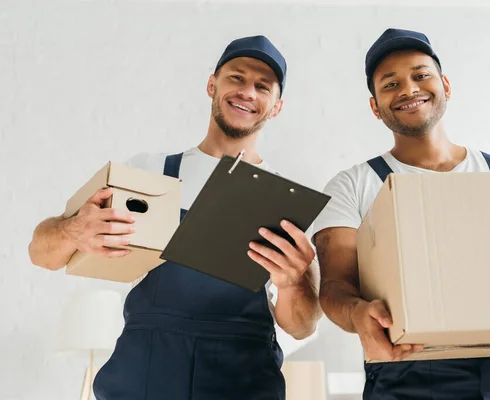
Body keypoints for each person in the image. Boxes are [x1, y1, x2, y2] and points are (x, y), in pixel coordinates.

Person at [28, 35, 321, 400]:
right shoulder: (150, 173)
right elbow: (40, 252)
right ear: (212, 84)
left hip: (242, 379)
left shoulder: (287, 201)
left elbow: (303, 326)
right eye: (237, 78)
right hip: (146, 373)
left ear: (276, 107)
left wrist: (295, 283)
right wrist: (73, 231)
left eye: (263, 87)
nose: (248, 92)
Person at [312, 28, 490, 399]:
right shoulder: (354, 185)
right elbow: (334, 286)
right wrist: (358, 316)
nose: (409, 89)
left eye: (420, 75)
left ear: (445, 84)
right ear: (375, 106)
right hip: (411, 369)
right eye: (390, 83)